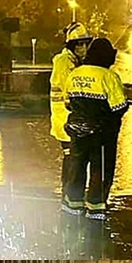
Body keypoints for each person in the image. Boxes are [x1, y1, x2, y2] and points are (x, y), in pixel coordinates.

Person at [63, 38, 128, 220]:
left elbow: (68, 103)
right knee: (100, 171)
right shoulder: (109, 77)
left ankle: (73, 206)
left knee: (77, 168)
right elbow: (119, 107)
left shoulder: (75, 74)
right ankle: (95, 208)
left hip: (77, 133)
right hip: (102, 136)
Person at [51, 23, 93, 216]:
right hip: (65, 121)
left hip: (69, 121)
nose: (83, 48)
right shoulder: (63, 62)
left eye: (85, 44)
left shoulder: (74, 62)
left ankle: (68, 198)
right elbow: (71, 90)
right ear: (71, 46)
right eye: (79, 45)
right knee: (72, 162)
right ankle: (69, 200)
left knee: (72, 160)